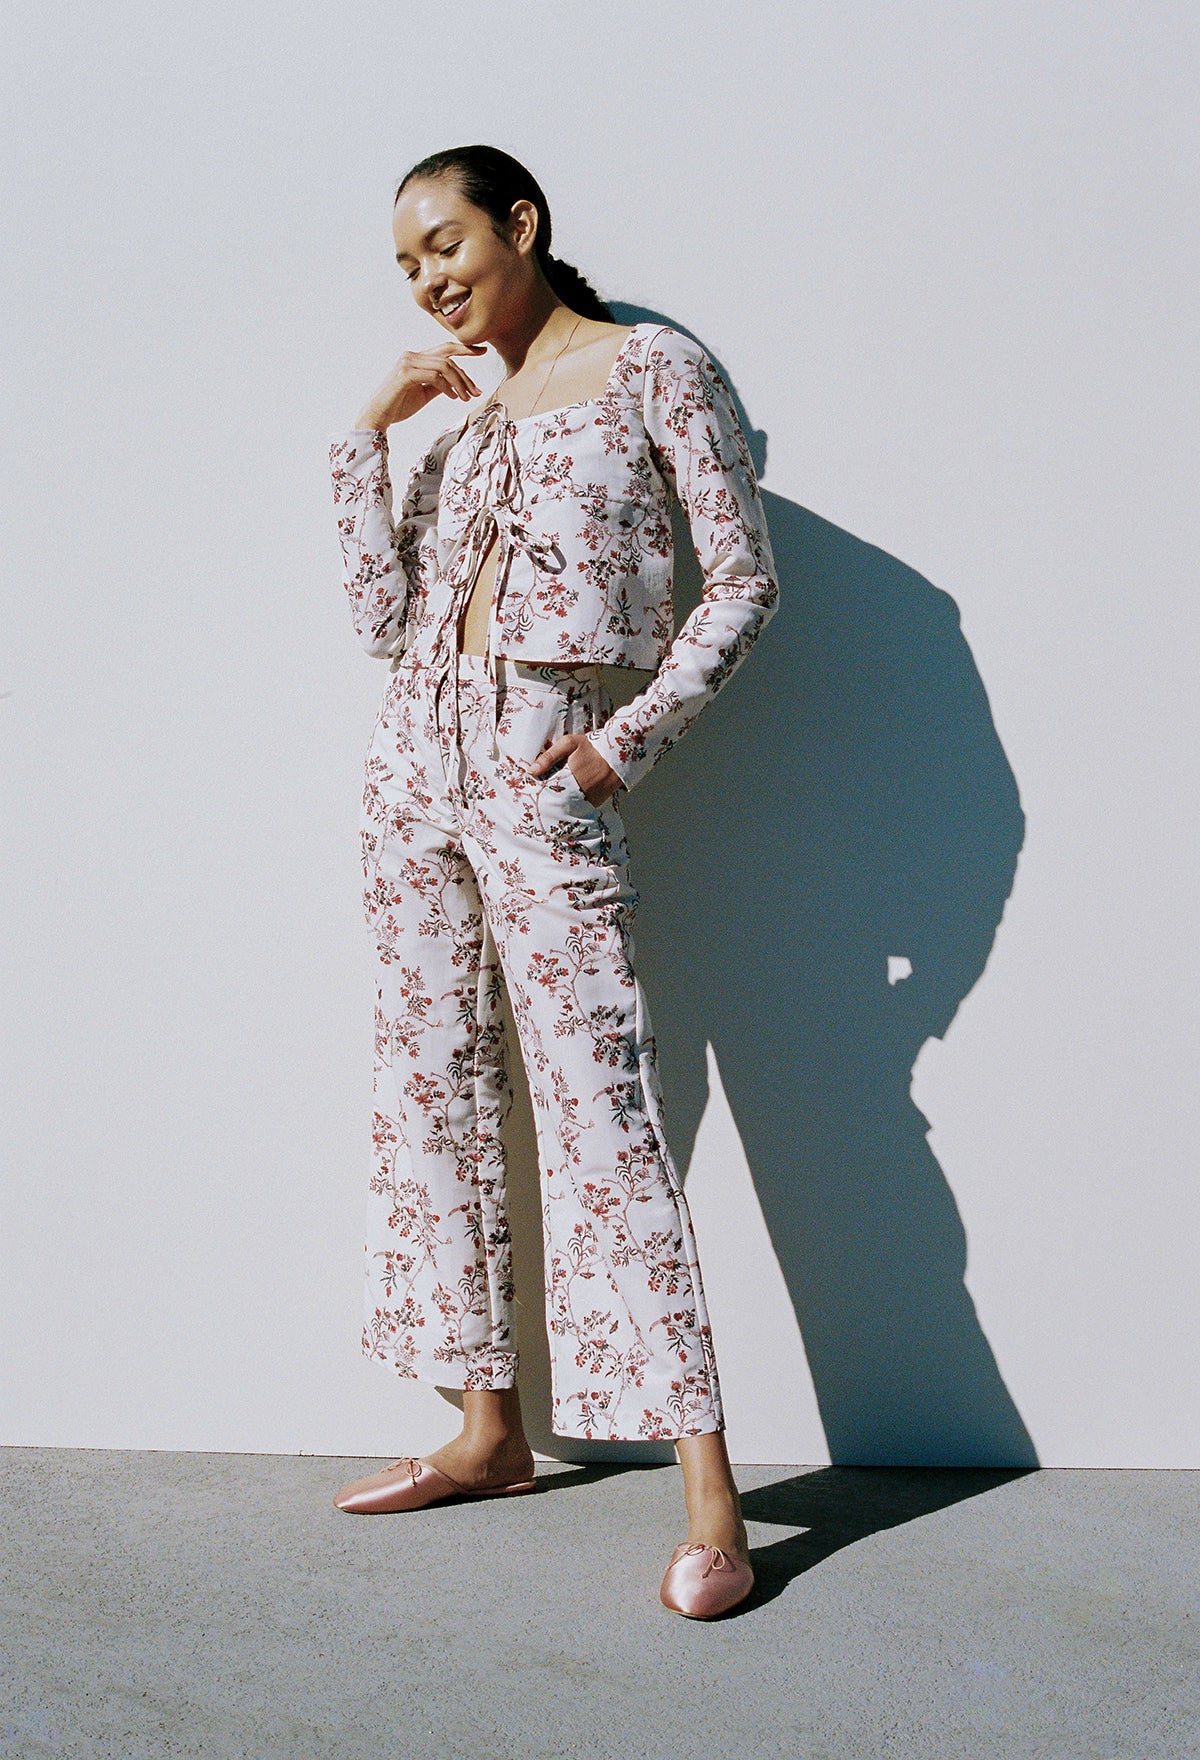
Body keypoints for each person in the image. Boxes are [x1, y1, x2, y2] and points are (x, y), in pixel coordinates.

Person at [326, 144, 778, 1618]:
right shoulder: (461, 420)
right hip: (413, 770)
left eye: (445, 244)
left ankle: (713, 1498)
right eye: (406, 264)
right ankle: (488, 1432)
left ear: (519, 224)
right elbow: (382, 621)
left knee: (601, 1111)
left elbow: (744, 581)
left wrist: (620, 746)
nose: (427, 280)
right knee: (435, 1092)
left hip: (542, 769)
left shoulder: (653, 370)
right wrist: (366, 437)